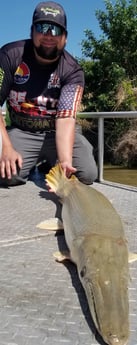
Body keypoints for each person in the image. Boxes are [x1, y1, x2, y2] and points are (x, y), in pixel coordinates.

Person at [0, 1, 97, 187]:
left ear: (65, 37)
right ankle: (32, 163)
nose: (49, 35)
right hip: (22, 131)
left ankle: (50, 164)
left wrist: (65, 161)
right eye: (42, 27)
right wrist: (6, 147)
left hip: (56, 133)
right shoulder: (9, 55)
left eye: (56, 30)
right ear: (32, 31)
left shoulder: (72, 70)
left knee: (86, 174)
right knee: (6, 176)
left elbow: (66, 117)